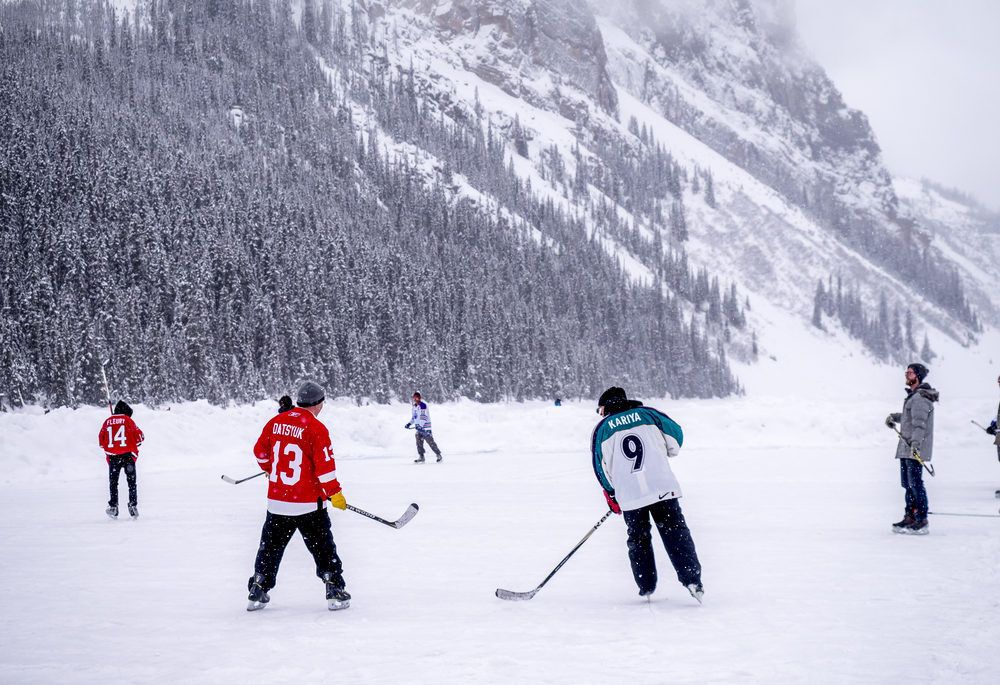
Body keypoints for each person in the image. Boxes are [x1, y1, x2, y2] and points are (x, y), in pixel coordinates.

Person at [590, 387, 704, 603]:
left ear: (606, 406)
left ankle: (646, 585)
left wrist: (612, 495)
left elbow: (599, 467)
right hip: (662, 487)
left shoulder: (603, 428)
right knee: (675, 532)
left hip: (630, 496)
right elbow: (676, 435)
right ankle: (692, 580)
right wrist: (662, 449)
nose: (600, 414)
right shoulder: (649, 415)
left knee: (638, 538)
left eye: (600, 409)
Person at [246, 381, 351, 612]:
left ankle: (258, 587)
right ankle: (334, 588)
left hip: (277, 503)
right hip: (308, 505)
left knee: (270, 548)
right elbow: (325, 469)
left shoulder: (276, 422)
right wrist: (335, 494)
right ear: (319, 403)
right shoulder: (316, 428)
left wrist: (269, 469)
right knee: (323, 548)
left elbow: (259, 451)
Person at [884, 362, 939, 535]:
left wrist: (915, 447)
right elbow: (909, 418)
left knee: (915, 484)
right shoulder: (913, 397)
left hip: (913, 449)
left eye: (910, 373)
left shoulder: (920, 398)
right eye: (906, 372)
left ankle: (921, 519)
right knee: (907, 484)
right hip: (907, 448)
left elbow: (919, 426)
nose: (906, 375)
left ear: (918, 376)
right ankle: (910, 516)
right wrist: (894, 417)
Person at [98, 400, 144, 519]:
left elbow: (102, 442)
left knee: (113, 483)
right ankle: (133, 505)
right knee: (132, 483)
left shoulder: (107, 422)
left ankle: (113, 506)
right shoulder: (128, 421)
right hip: (128, 456)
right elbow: (140, 438)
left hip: (113, 457)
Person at [405, 391, 442, 463]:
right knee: (418, 443)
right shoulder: (414, 407)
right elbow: (414, 418)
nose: (415, 399)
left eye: (417, 397)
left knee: (430, 442)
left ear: (419, 398)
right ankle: (421, 457)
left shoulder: (423, 405)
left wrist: (420, 426)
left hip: (426, 428)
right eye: (414, 398)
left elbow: (424, 417)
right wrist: (409, 423)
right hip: (419, 429)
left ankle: (438, 455)